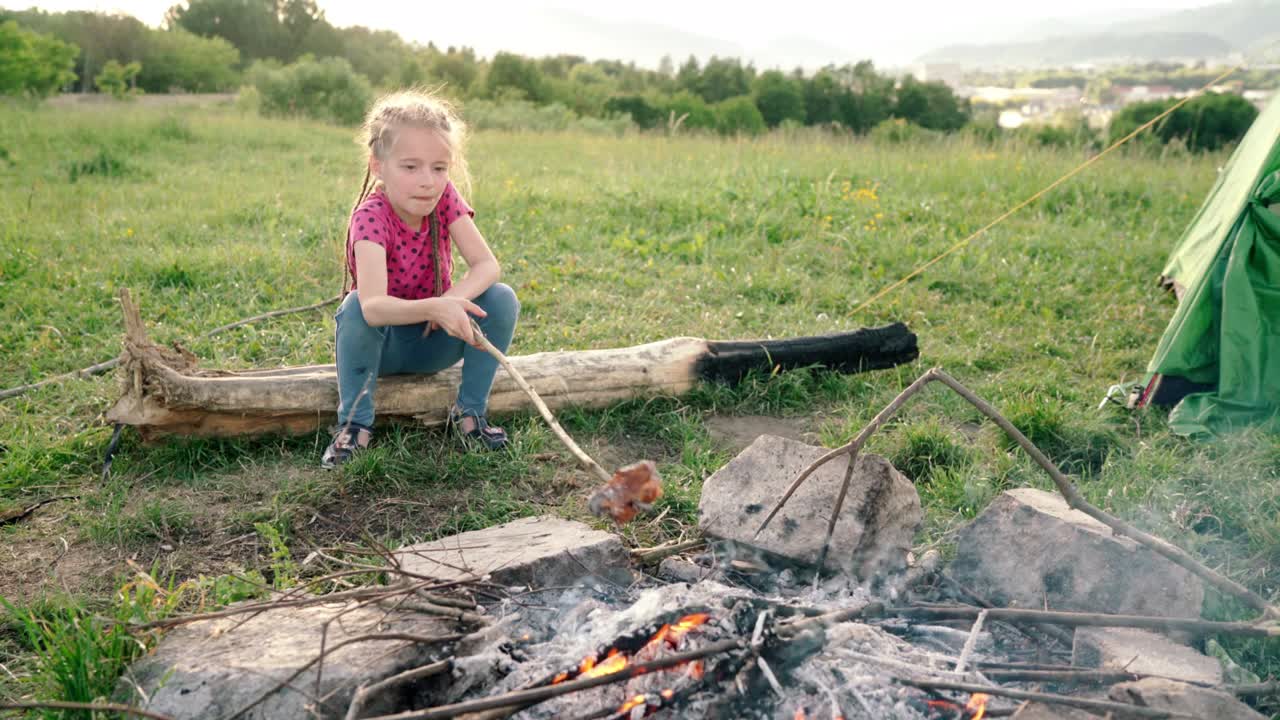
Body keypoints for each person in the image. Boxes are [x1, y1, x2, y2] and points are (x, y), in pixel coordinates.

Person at [322, 89, 519, 469]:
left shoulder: (444, 199)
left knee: (501, 298)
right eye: (410, 167)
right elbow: (375, 307)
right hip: (383, 349)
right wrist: (436, 306)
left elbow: (486, 266)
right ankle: (354, 426)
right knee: (355, 308)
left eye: (439, 168)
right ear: (378, 165)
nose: (427, 181)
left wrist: (450, 301)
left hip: (434, 343)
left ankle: (470, 415)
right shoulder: (371, 217)